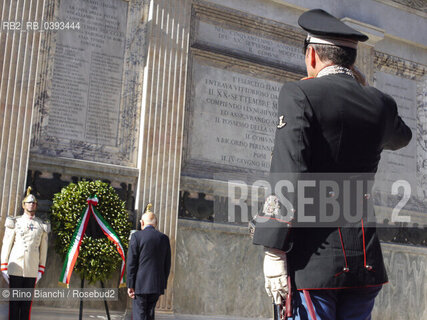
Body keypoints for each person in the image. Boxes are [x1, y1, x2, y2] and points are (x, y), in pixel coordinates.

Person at [253, 9, 412, 320]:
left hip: (314, 262)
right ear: (351, 60)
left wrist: (274, 249)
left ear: (312, 55)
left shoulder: (300, 93)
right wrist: (363, 86)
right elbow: (402, 137)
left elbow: (289, 173)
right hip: (365, 262)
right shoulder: (381, 103)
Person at [1, 187, 50, 320]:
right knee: (14, 303)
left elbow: (43, 249)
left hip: (32, 269)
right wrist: (4, 266)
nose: (32, 204)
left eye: (34, 203)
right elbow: (7, 244)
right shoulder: (15, 221)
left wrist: (41, 268)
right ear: (24, 205)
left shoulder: (41, 225)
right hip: (15, 267)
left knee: (26, 304)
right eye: (29, 202)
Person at [127, 204, 171, 320]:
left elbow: (131, 262)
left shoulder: (137, 237)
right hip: (156, 285)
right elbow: (167, 264)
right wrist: (162, 283)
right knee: (149, 315)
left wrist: (130, 285)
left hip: (140, 285)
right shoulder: (164, 239)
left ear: (142, 223)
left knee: (139, 315)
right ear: (155, 224)